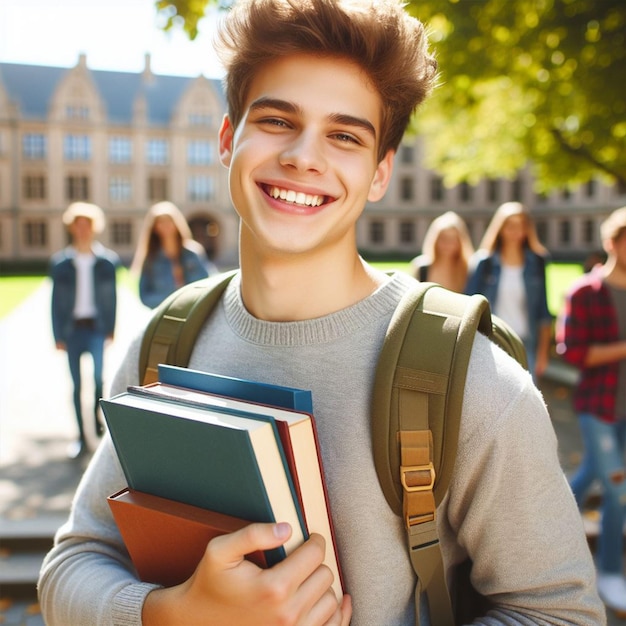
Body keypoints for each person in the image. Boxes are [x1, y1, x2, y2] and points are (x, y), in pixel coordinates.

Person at [38, 1, 604, 624]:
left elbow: (562, 614)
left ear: (380, 171)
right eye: (278, 120)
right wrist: (172, 614)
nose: (305, 157)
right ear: (228, 139)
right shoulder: (166, 341)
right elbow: (73, 562)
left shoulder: (475, 382)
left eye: (344, 135)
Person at [556, 206, 626, 617]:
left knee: (591, 476)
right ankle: (611, 571)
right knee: (618, 490)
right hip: (598, 405)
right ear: (611, 242)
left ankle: (549, 523)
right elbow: (575, 351)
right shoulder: (585, 291)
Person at [49, 202, 120, 459]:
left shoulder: (107, 262)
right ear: (72, 228)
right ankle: (80, 436)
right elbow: (55, 302)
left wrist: (111, 329)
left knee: (99, 380)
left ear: (94, 228)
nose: (82, 230)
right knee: (77, 385)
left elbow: (112, 299)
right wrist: (57, 335)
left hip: (97, 330)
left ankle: (98, 425)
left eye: (86, 225)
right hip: (72, 331)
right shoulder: (61, 264)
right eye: (77, 225)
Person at [465, 201, 553, 380]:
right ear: (500, 228)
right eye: (510, 226)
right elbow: (468, 306)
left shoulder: (537, 262)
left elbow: (543, 311)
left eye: (521, 226)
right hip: (491, 342)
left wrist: (543, 353)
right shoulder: (485, 263)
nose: (515, 231)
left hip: (525, 342)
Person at [131, 201, 216, 309]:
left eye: (169, 221)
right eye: (160, 222)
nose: (166, 225)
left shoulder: (193, 253)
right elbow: (144, 296)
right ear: (154, 227)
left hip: (193, 311)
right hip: (165, 314)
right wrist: (173, 301)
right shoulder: (151, 258)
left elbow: (208, 282)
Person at [409, 210, 474, 292]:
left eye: (453, 239)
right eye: (443, 238)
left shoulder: (470, 270)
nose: (448, 244)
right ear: (435, 240)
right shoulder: (421, 267)